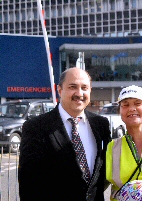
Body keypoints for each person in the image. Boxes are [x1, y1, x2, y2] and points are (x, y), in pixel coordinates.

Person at [18, 67, 112, 201]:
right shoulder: (36, 127)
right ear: (60, 90)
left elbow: (103, 174)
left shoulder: (101, 124)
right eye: (73, 87)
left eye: (84, 88)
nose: (79, 93)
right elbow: (28, 184)